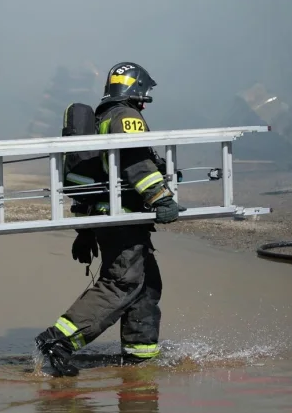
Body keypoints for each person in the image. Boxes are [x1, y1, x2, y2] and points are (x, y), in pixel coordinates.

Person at [34, 61, 184, 377]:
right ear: (135, 89)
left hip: (111, 218)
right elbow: (135, 162)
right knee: (122, 282)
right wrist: (161, 198)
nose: (145, 101)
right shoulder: (126, 117)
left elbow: (97, 175)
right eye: (144, 93)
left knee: (145, 287)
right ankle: (59, 340)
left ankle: (140, 361)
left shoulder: (104, 117)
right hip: (122, 219)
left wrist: (85, 232)